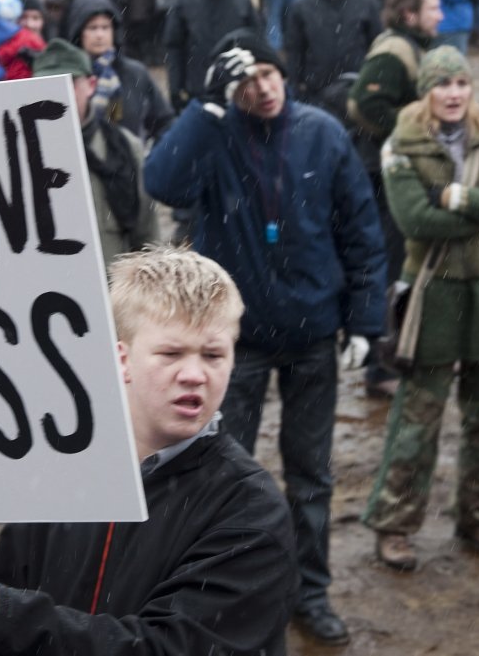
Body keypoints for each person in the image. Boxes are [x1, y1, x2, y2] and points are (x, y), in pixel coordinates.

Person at [0, 246, 297, 653]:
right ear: (122, 358)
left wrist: (5, 614)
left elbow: (172, 648)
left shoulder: (251, 511)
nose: (193, 375)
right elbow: (13, 594)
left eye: (213, 355)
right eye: (170, 353)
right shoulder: (61, 468)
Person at [145, 31, 387, 646]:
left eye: (272, 74)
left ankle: (311, 591)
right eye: (249, 80)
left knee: (311, 475)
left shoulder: (322, 132)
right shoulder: (215, 135)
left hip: (313, 332)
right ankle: (231, 597)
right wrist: (206, 107)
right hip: (236, 342)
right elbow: (163, 182)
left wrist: (365, 319)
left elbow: (361, 229)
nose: (264, 88)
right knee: (227, 477)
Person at [363, 47, 479, 571]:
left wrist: (456, 199)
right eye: (443, 84)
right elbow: (415, 221)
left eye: (461, 82)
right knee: (418, 418)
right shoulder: (401, 145)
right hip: (432, 295)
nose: (454, 93)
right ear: (427, 92)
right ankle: (394, 523)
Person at [32, 39, 159, 266]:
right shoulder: (23, 153)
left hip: (115, 290)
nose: (58, 91)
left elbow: (147, 234)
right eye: (47, 83)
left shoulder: (124, 147)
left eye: (69, 82)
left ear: (91, 85)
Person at [284, 0, 382, 121]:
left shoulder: (366, 1)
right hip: (317, 91)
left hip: (356, 88)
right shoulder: (302, 5)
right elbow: (294, 48)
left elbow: (376, 43)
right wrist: (296, 84)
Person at [64, 0, 173, 144]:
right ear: (79, 33)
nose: (100, 35)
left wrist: (151, 158)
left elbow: (165, 122)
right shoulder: (68, 75)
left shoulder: (134, 73)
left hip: (128, 162)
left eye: (105, 27)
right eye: (92, 28)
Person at [163, 0, 259, 110]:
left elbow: (256, 40)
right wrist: (176, 87)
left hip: (236, 85)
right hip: (198, 85)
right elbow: (174, 46)